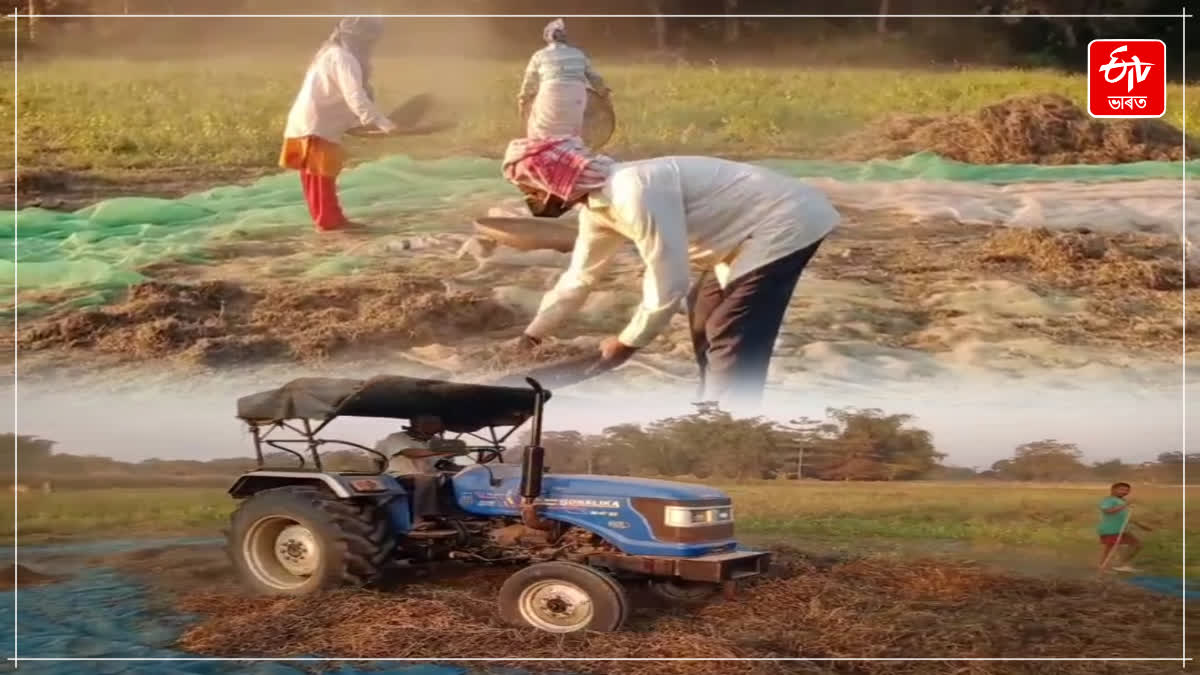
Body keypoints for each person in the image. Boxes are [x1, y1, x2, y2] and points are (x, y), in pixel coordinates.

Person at [502, 136, 840, 406]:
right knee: (703, 314)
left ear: (554, 179)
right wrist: (532, 335)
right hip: (743, 233)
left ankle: (732, 422)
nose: (530, 196)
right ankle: (712, 409)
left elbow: (669, 279)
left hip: (786, 219)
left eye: (531, 187)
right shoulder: (597, 208)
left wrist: (627, 343)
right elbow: (579, 278)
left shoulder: (632, 191)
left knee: (730, 327)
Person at [279, 16, 397, 233]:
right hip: (315, 125)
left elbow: (342, 97)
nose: (370, 44)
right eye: (368, 39)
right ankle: (329, 222)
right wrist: (381, 122)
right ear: (357, 38)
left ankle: (329, 219)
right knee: (321, 177)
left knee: (318, 177)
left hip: (314, 123)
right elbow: (354, 96)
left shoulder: (331, 54)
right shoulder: (343, 58)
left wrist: (360, 122)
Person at [517, 18, 610, 139]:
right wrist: (604, 93)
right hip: (576, 96)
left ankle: (546, 147)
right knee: (572, 124)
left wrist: (522, 99)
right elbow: (595, 78)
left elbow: (529, 81)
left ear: (548, 38)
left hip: (550, 93)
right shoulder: (578, 54)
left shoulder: (539, 55)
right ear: (564, 37)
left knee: (540, 122)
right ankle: (571, 146)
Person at [376, 415, 449, 526]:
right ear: (416, 424)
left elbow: (442, 462)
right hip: (399, 476)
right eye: (431, 424)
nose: (435, 430)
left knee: (457, 479)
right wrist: (440, 451)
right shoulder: (396, 438)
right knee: (425, 479)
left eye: (437, 426)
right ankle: (420, 519)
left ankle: (459, 516)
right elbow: (410, 452)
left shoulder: (434, 441)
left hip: (431, 475)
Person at [1097, 481, 1153, 573]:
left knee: (1137, 545)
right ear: (1113, 490)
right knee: (1110, 549)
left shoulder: (1122, 501)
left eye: (1127, 490)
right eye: (1121, 489)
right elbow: (1108, 511)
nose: (1124, 492)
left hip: (1121, 529)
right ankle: (1103, 567)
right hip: (1110, 529)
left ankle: (1121, 564)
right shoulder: (1109, 500)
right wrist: (1126, 505)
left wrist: (1140, 525)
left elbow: (1125, 517)